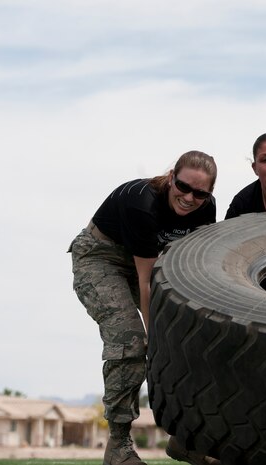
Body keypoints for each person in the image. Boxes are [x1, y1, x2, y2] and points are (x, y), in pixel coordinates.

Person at [68, 150, 220, 465]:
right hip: (101, 258)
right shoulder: (142, 203)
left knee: (191, 340)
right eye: (183, 186)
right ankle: (119, 447)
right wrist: (154, 334)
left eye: (200, 193)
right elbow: (146, 281)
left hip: (151, 264)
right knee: (132, 340)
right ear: (171, 176)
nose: (190, 197)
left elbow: (192, 266)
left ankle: (187, 439)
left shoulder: (206, 208)